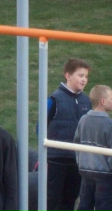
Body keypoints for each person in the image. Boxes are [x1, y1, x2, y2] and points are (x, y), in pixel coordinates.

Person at [46, 58, 92, 211]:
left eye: (86, 76)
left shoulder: (86, 101)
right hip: (55, 160)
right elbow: (41, 127)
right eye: (80, 75)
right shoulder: (54, 99)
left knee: (70, 199)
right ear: (68, 76)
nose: (84, 79)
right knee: (51, 199)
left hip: (77, 160)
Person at [73, 85, 112, 211]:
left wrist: (81, 163)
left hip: (85, 174)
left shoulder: (83, 120)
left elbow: (76, 144)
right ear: (103, 101)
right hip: (106, 177)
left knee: (84, 206)